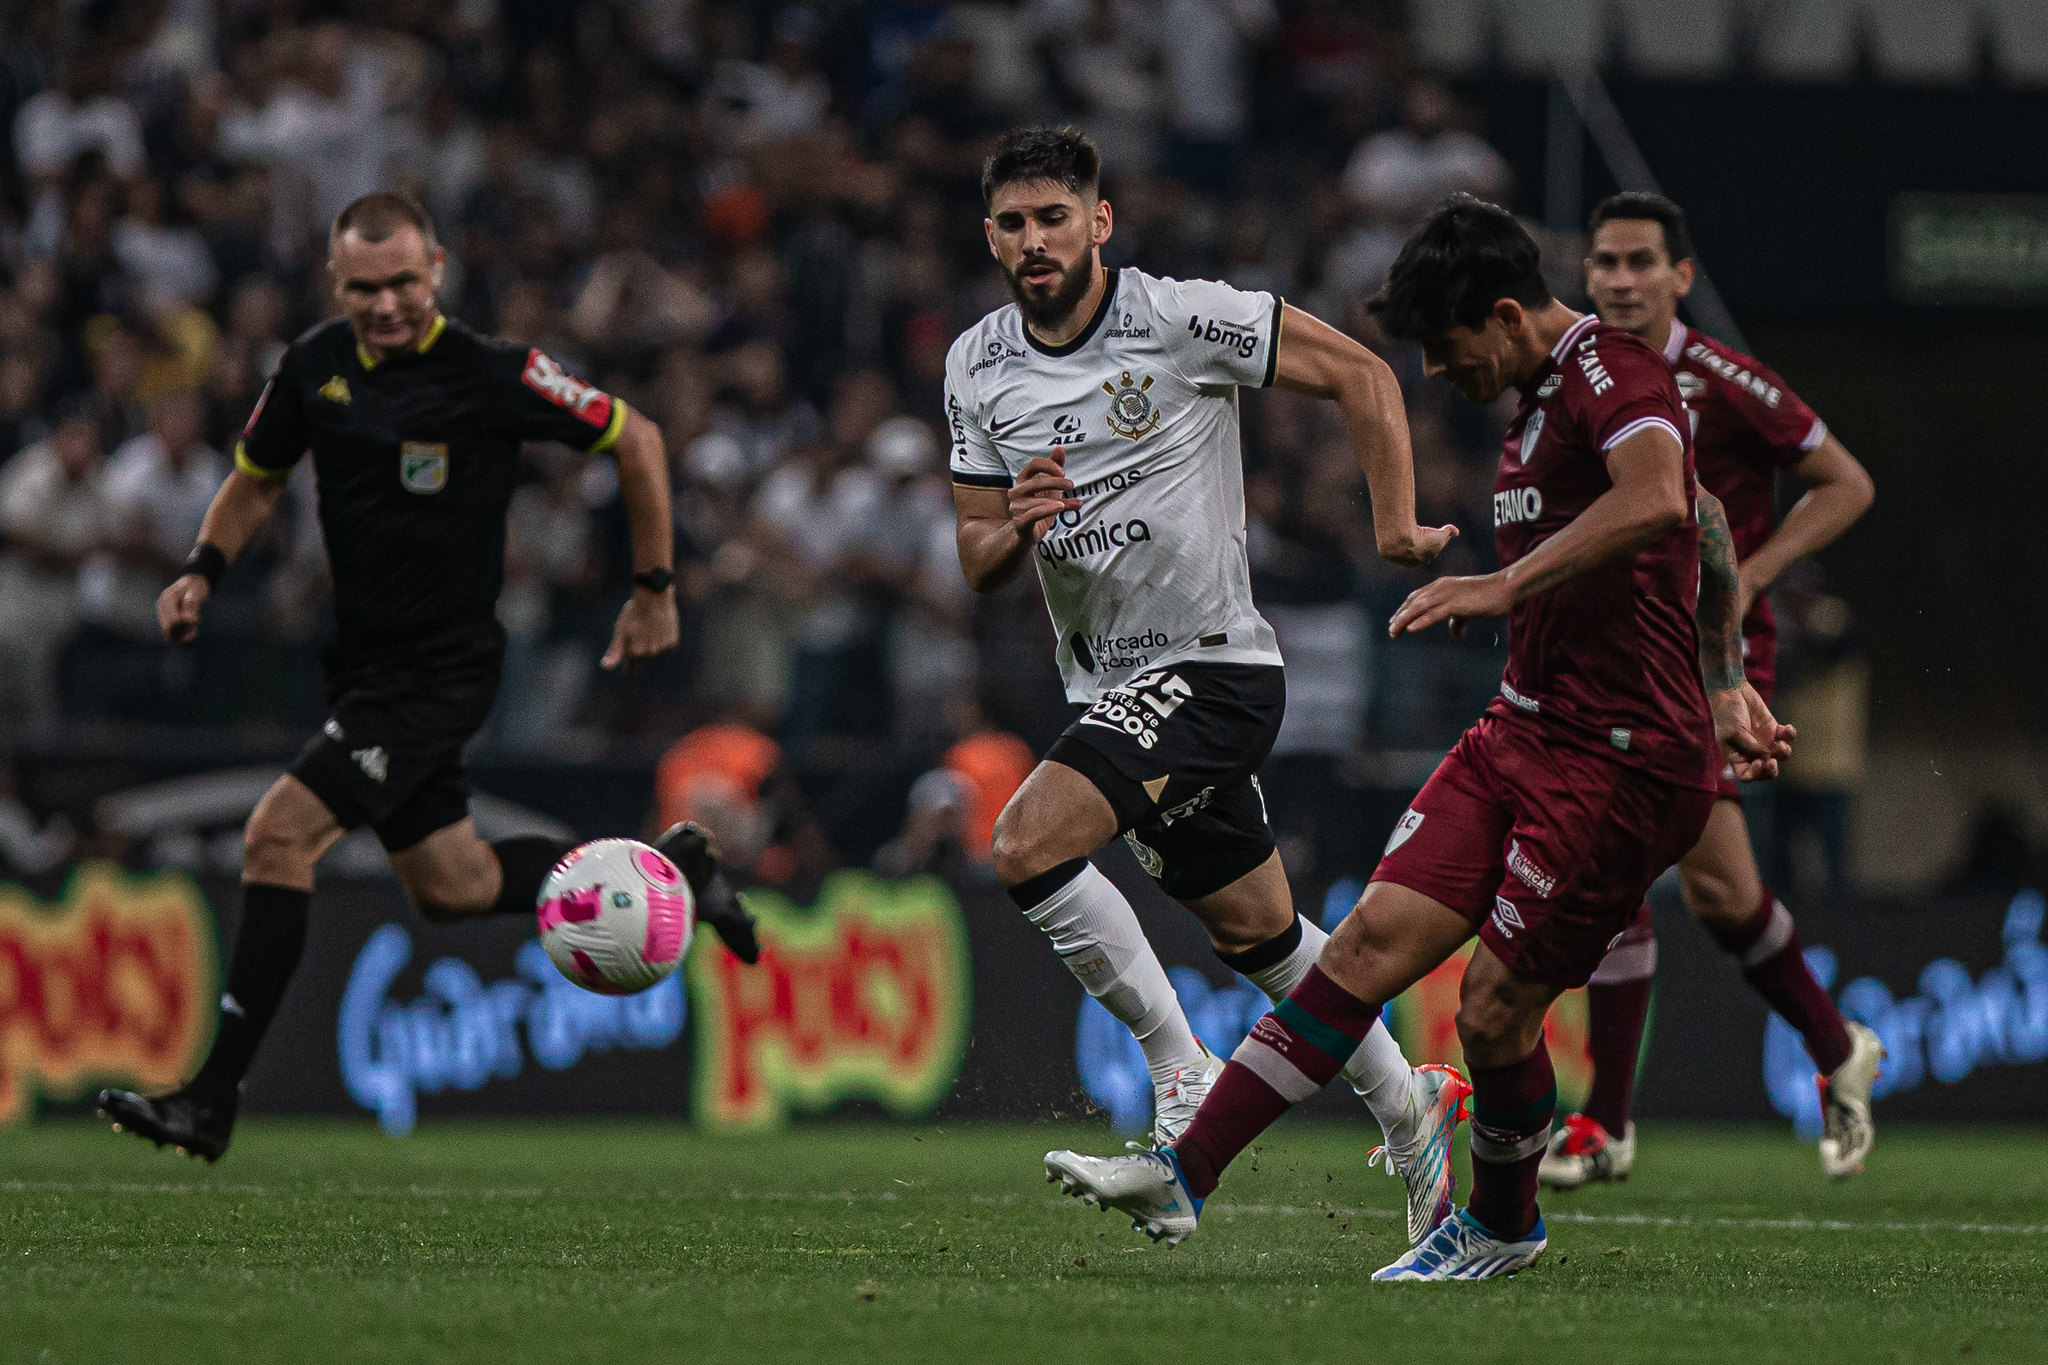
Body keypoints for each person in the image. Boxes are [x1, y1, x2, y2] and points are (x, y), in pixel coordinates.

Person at [1042, 194, 1801, 1281]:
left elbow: (1662, 503)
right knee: (1361, 948)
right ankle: (1185, 1173)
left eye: (1446, 350)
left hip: (1622, 764)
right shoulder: (1540, 399)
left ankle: (1500, 1224)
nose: (1438, 374)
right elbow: (1707, 521)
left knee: (1493, 1015)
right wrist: (1724, 678)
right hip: (1521, 730)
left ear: (1505, 314)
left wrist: (1510, 587)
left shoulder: (1613, 370)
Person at [97, 192, 760, 1162]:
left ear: (437, 271)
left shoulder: (491, 374)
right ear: (336, 283)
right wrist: (202, 568)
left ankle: (211, 1097)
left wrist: (654, 587)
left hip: (440, 672)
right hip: (365, 667)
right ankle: (675, 875)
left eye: (403, 283)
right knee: (454, 883)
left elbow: (637, 438)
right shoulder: (313, 367)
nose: (386, 305)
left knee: (277, 834)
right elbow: (255, 479)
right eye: (364, 288)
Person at [949, 126, 1467, 1247]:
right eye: (1013, 223)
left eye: (1053, 217)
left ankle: (1179, 1071)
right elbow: (976, 554)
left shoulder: (1180, 318)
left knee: (1026, 842)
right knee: (1265, 937)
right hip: (1109, 690)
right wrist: (1015, 527)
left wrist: (1393, 524)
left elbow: (1362, 373)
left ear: (1099, 222)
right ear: (989, 236)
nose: (1034, 240)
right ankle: (1408, 1104)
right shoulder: (975, 366)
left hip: (1216, 669)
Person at [1541, 192, 1881, 1189]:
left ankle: (1605, 1122)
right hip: (1609, 652)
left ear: (1679, 277)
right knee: (1721, 893)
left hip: (1704, 662)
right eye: (1604, 262)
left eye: (1640, 261)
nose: (1619, 280)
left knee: (1622, 861)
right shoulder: (1573, 374)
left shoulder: (1721, 379)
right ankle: (1836, 1050)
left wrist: (1757, 574)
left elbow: (1846, 481)